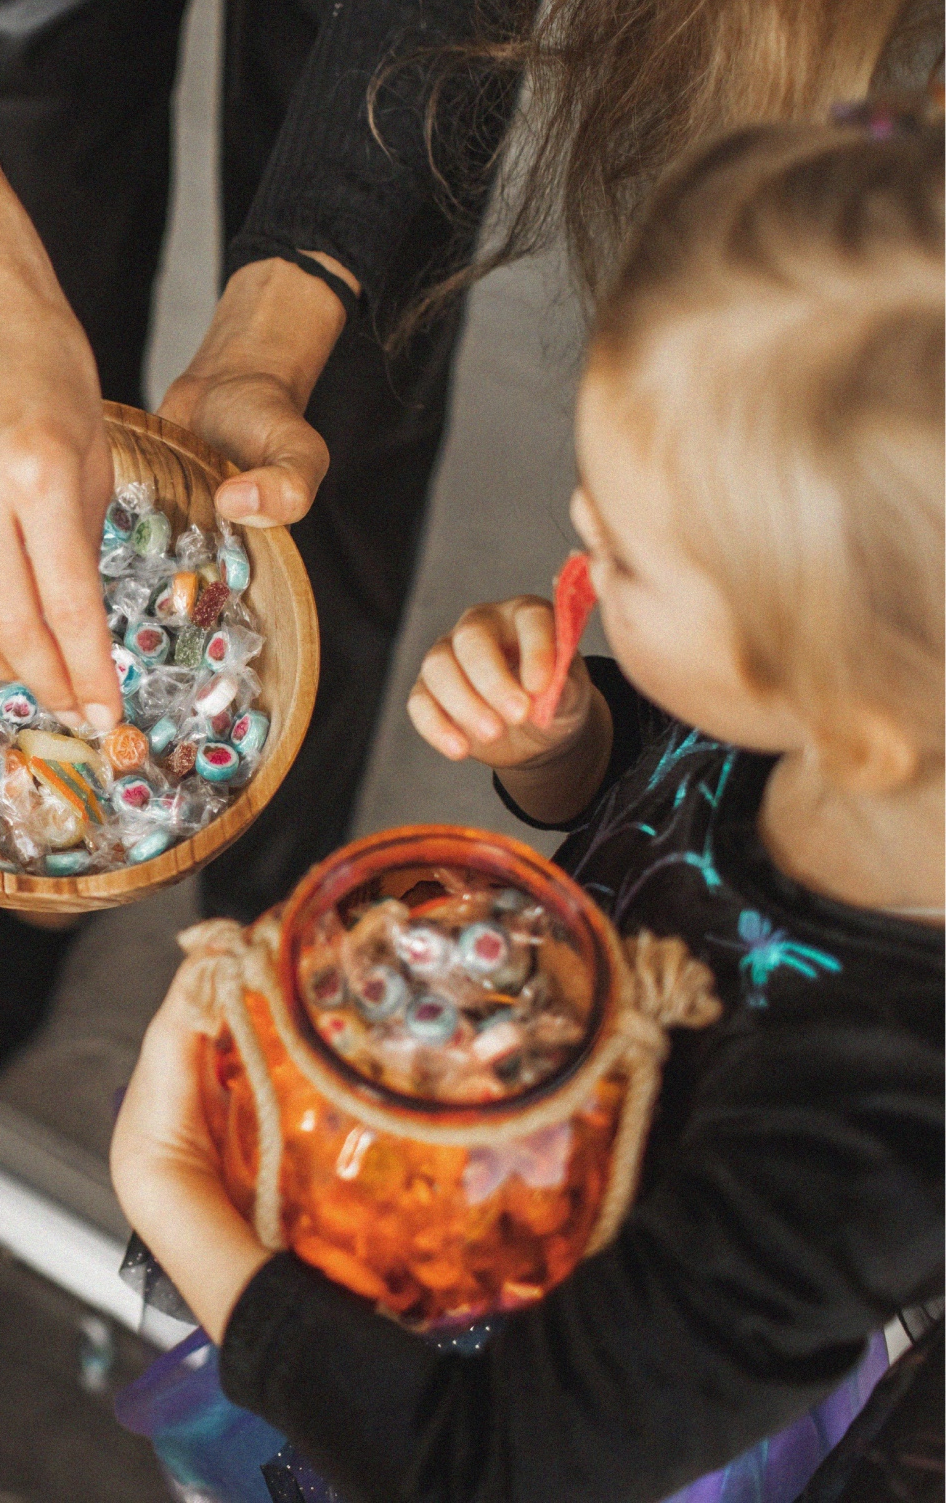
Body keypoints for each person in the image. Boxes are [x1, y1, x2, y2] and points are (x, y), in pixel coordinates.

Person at [0, 0, 938, 1073]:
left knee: (326, 438)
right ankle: (74, 852)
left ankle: (272, 893)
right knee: (34, 370)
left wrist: (278, 331)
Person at [109, 103, 944, 1502]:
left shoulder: (861, 1140)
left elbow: (479, 1470)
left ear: (849, 718)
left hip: (564, 1399)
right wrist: (571, 738)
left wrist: (171, 1190)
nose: (573, 537)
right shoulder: (873, 738)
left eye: (627, 551)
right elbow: (668, 791)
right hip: (475, 1183)